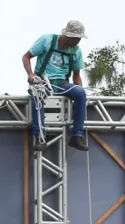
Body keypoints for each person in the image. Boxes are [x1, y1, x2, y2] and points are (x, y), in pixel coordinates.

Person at [23, 20, 89, 152]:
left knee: (80, 94)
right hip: (43, 82)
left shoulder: (76, 51)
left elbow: (76, 75)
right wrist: (30, 74)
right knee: (38, 95)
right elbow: (26, 57)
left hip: (62, 84)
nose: (78, 41)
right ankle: (40, 137)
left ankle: (77, 136)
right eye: (76, 38)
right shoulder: (47, 40)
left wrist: (80, 89)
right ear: (68, 36)